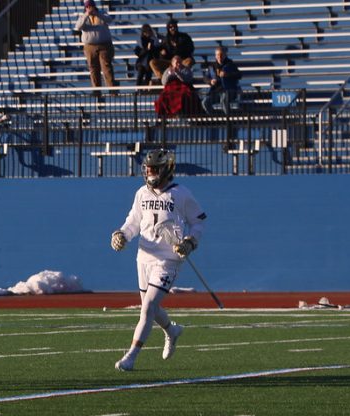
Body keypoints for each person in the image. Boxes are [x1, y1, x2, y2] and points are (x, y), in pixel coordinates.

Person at [109, 149, 207, 371]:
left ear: (167, 169)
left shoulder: (181, 193)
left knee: (148, 307)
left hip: (168, 259)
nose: (151, 173)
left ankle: (131, 356)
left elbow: (199, 222)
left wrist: (190, 242)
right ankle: (172, 330)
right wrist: (121, 234)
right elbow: (133, 222)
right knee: (149, 307)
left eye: (155, 169)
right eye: (149, 169)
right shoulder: (141, 193)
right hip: (144, 256)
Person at [73, 0, 117, 96]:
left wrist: (97, 14)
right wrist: (86, 15)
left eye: (90, 6)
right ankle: (96, 91)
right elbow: (78, 26)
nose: (89, 8)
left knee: (106, 67)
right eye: (87, 7)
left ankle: (112, 89)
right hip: (90, 46)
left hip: (104, 45)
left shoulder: (102, 13)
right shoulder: (83, 16)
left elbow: (109, 20)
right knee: (93, 68)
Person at [201, 46, 241, 116]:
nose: (219, 57)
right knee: (205, 102)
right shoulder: (212, 67)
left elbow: (239, 75)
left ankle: (228, 120)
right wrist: (210, 81)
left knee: (223, 100)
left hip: (229, 91)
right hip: (216, 92)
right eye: (217, 55)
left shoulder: (230, 65)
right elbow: (205, 78)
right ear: (215, 56)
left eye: (221, 55)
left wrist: (227, 74)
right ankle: (215, 119)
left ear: (225, 55)